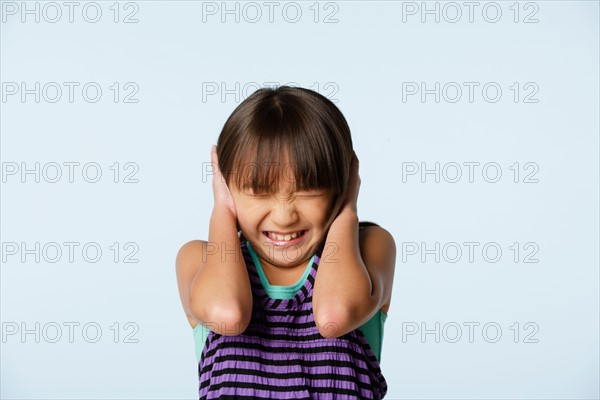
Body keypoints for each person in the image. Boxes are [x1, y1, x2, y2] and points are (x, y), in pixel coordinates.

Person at [175, 86, 396, 399]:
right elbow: (229, 315)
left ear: (342, 183)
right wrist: (221, 211)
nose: (283, 216)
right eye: (258, 191)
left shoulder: (369, 248)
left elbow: (334, 317)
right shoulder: (198, 260)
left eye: (308, 189)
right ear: (225, 184)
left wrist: (347, 210)